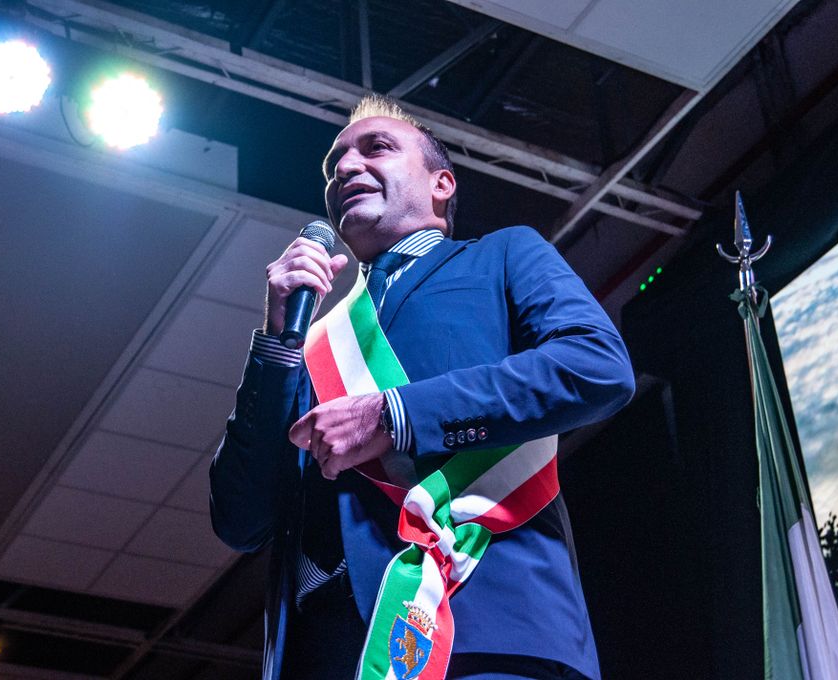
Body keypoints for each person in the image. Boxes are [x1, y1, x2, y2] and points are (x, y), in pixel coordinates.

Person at [210, 95, 635, 680]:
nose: (346, 168)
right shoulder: (313, 346)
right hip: (325, 653)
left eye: (376, 148)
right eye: (335, 165)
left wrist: (396, 416)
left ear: (441, 184)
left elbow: (597, 366)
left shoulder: (502, 256)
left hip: (482, 628)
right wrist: (277, 342)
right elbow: (240, 521)